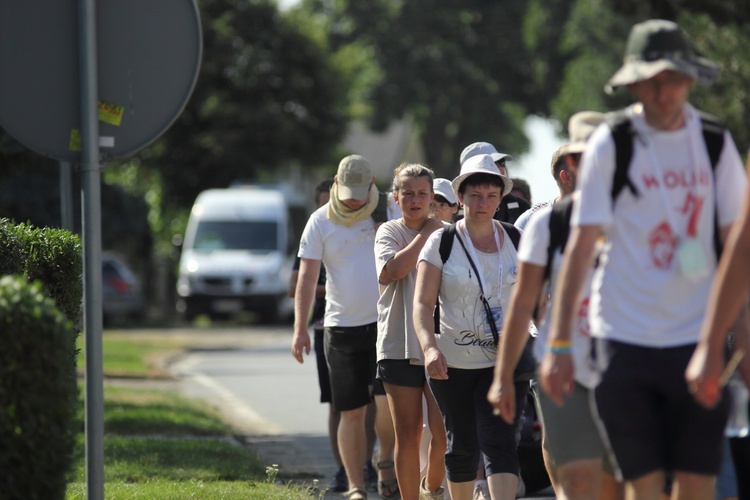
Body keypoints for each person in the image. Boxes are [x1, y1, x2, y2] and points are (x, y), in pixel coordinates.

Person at [541, 20, 747, 500]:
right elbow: (580, 247)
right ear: (631, 83)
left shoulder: (714, 144)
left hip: (696, 337)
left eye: (671, 78)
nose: (662, 92)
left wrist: (731, 338)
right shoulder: (614, 144)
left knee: (697, 486)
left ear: (690, 79)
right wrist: (560, 345)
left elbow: (737, 249)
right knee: (645, 486)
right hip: (624, 342)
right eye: (649, 81)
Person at [487, 111, 624, 500]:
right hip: (561, 363)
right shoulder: (544, 224)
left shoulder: (638, 214)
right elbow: (522, 300)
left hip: (625, 362)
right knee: (576, 472)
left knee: (619, 476)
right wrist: (502, 377)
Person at [414, 154, 535, 500]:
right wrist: (429, 347)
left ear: (500, 200)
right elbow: (422, 304)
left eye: (491, 196)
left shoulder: (516, 240)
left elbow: (535, 300)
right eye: (475, 196)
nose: (483, 204)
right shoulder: (442, 242)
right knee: (462, 443)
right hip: (453, 363)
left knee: (500, 443)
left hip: (506, 361)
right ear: (461, 199)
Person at [292, 154, 382, 500]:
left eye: (361, 192)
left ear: (372, 185)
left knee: (387, 407)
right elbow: (306, 278)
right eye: (347, 192)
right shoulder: (320, 221)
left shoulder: (386, 213)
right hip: (340, 327)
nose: (353, 200)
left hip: (385, 324)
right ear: (334, 184)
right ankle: (356, 484)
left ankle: (384, 467)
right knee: (351, 410)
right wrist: (300, 328)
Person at [375, 163, 447, 500]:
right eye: (408, 194)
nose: (415, 200)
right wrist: (427, 232)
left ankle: (431, 487)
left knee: (444, 432)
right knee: (408, 435)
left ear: (432, 197)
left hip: (441, 346)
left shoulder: (448, 233)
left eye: (422, 193)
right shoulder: (388, 232)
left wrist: (437, 229)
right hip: (398, 345)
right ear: (396, 197)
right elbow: (393, 270)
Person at [288, 178, 352, 492]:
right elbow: (295, 286)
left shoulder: (354, 231)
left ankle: (364, 465)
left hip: (360, 327)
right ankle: (343, 469)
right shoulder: (313, 234)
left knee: (365, 403)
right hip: (324, 327)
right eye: (323, 201)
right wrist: (336, 288)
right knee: (337, 404)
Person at [459, 142, 531, 224]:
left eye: (501, 163)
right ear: (460, 197)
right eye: (491, 164)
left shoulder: (521, 208)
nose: (500, 168)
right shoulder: (449, 209)